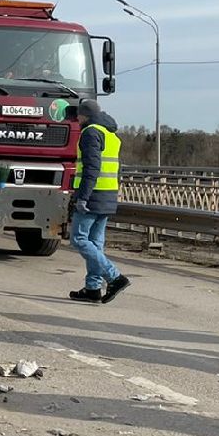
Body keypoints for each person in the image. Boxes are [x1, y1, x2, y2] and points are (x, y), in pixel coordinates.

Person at [67, 100, 130, 303]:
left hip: (93, 195)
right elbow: (114, 168)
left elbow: (91, 168)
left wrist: (82, 197)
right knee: (95, 243)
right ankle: (92, 288)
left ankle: (115, 277)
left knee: (78, 239)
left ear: (85, 115)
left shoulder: (90, 132)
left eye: (79, 115)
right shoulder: (111, 134)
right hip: (108, 194)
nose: (77, 118)